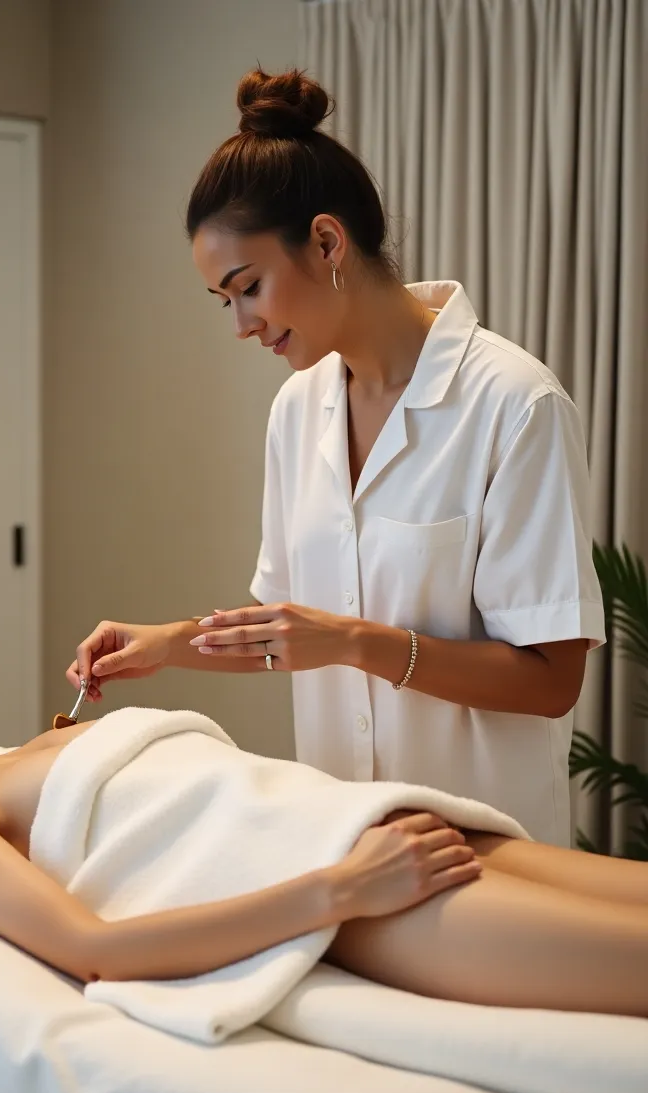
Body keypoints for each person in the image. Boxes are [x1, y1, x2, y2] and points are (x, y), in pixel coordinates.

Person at [68, 69, 605, 848]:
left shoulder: (514, 405)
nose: (241, 325)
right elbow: (292, 629)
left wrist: (357, 642)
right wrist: (167, 643)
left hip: (482, 852)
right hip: (343, 843)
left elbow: (553, 681)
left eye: (249, 287)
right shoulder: (298, 411)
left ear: (326, 243)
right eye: (225, 301)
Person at [0, 650, 647, 1021]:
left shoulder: (36, 743)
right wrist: (341, 890)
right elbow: (94, 951)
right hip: (363, 890)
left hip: (375, 818)